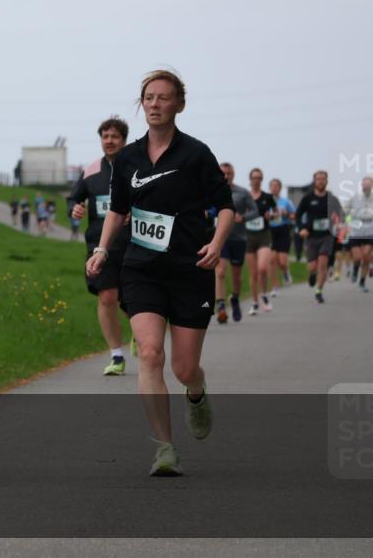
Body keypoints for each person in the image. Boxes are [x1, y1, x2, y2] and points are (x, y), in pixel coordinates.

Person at [87, 70, 233, 476]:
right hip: (142, 269)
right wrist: (102, 249)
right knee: (150, 354)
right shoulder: (128, 158)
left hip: (190, 269)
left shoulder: (196, 154)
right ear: (142, 104)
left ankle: (196, 391)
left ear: (179, 105)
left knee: (184, 368)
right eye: (149, 97)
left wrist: (217, 243)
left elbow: (225, 206)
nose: (155, 104)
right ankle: (164, 448)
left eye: (163, 97)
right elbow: (118, 210)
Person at [68, 116, 133, 376]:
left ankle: (141, 335)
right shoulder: (91, 170)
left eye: (114, 136)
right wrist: (74, 208)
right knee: (107, 297)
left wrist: (135, 211)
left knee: (132, 301)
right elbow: (74, 197)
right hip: (99, 245)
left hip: (132, 245)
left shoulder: (137, 167)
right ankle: (117, 355)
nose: (109, 141)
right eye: (105, 136)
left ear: (124, 140)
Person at [214, 163, 259, 324]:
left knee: (237, 276)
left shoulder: (242, 192)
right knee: (220, 271)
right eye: (223, 173)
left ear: (233, 175)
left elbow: (255, 211)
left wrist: (243, 217)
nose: (226, 176)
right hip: (220, 239)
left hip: (238, 238)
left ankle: (235, 298)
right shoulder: (212, 190)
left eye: (229, 173)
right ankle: (220, 306)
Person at [294, 170, 343, 304]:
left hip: (327, 235)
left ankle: (319, 291)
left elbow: (340, 214)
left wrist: (337, 220)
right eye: (318, 179)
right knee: (312, 266)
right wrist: (302, 228)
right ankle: (312, 274)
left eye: (323, 179)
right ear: (314, 181)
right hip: (311, 236)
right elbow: (298, 215)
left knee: (323, 263)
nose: (321, 181)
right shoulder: (308, 198)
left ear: (326, 181)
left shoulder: (332, 198)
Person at [345, 176, 373, 293]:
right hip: (356, 232)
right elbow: (345, 210)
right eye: (364, 185)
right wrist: (348, 221)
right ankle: (355, 269)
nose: (365, 187)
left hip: (369, 232)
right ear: (361, 185)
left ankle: (362, 282)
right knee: (357, 257)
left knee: (366, 257)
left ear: (372, 186)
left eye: (368, 185)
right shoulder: (355, 197)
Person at [245, 168, 276, 314]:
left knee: (262, 268)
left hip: (264, 235)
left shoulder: (267, 197)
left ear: (262, 180)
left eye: (258, 178)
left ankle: (264, 294)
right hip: (248, 235)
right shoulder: (245, 196)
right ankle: (255, 302)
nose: (256, 180)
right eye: (254, 178)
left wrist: (272, 215)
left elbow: (276, 212)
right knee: (253, 273)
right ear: (250, 180)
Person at [267, 178, 295, 294]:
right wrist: (268, 216)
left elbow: (294, 215)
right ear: (269, 188)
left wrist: (286, 213)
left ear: (280, 188)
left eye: (276, 186)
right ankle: (275, 287)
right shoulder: (266, 201)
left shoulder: (286, 202)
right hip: (270, 231)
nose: (274, 188)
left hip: (283, 230)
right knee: (272, 260)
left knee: (282, 261)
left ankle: (285, 271)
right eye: (272, 186)